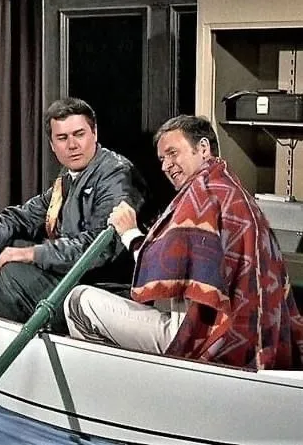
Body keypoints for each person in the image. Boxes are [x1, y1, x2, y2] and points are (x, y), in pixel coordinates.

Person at [64, 114, 303, 369]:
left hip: (206, 341)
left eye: (173, 153)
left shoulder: (202, 191)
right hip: (256, 342)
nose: (166, 166)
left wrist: (129, 233)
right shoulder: (232, 189)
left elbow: (164, 269)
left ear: (203, 148)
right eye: (162, 159)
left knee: (78, 301)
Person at [0, 97, 147, 334]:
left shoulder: (116, 174)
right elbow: (23, 216)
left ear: (94, 133)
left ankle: (1, 348)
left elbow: (100, 246)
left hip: (107, 293)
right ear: (52, 145)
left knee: (13, 275)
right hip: (79, 282)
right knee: (13, 246)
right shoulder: (68, 178)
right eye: (62, 138)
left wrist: (32, 254)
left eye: (79, 134)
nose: (72, 145)